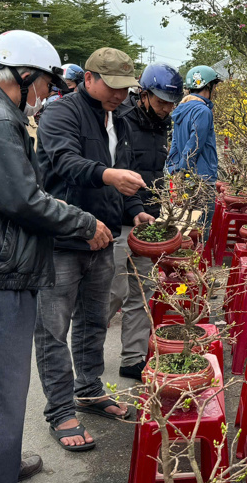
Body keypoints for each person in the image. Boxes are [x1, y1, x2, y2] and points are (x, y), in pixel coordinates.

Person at [0, 30, 110, 483]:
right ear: (25, 75)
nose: (47, 96)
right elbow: (22, 199)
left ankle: (0, 462)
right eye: (48, 85)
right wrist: (84, 223)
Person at [34, 48, 150, 451]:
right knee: (53, 327)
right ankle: (60, 410)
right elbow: (64, 162)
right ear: (88, 78)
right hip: (63, 237)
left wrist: (134, 211)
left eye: (125, 88)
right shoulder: (60, 114)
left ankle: (89, 389)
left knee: (93, 320)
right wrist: (107, 175)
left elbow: (127, 170)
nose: (120, 95)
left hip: (104, 236)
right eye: (112, 86)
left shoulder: (119, 118)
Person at [110, 62, 183, 381]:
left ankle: (133, 358)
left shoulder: (161, 125)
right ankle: (85, 362)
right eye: (161, 101)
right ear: (143, 95)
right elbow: (117, 170)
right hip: (119, 221)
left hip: (148, 220)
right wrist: (133, 209)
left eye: (171, 102)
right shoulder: (121, 120)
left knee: (143, 290)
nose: (166, 108)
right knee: (111, 293)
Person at [167, 64, 221, 232]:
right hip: (202, 179)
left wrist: (175, 172)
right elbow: (195, 144)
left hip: (186, 178)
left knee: (186, 229)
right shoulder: (203, 111)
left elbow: (175, 144)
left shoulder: (181, 110)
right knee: (200, 231)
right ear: (208, 86)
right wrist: (183, 170)